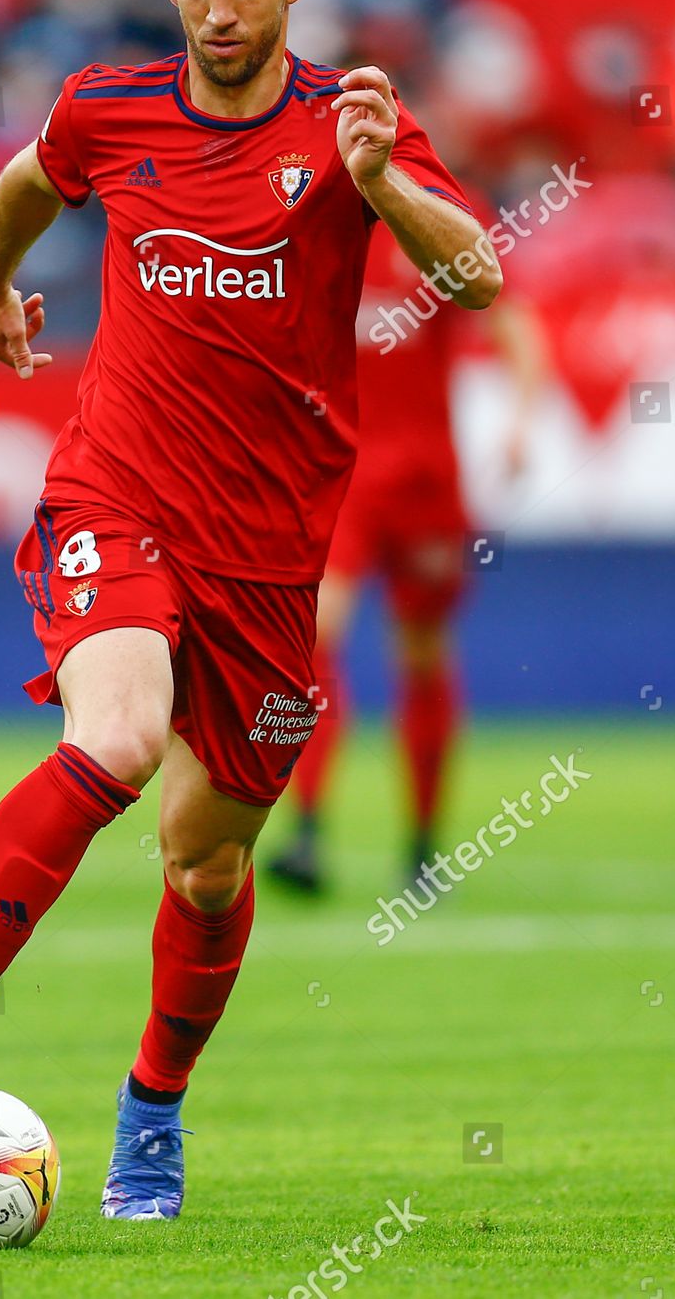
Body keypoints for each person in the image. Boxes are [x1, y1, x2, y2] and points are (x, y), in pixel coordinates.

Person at [0, 0, 501, 1222]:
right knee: (110, 736)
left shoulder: (355, 120)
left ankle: (150, 1108)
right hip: (121, 489)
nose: (218, 10)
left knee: (208, 868)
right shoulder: (111, 107)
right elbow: (29, 182)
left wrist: (382, 185)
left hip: (273, 545)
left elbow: (480, 273)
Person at [269, 218, 543, 893]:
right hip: (341, 476)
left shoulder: (439, 219)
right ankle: (306, 831)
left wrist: (519, 421)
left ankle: (421, 847)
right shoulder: (312, 220)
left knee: (420, 651)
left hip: (425, 484)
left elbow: (514, 325)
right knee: (313, 639)